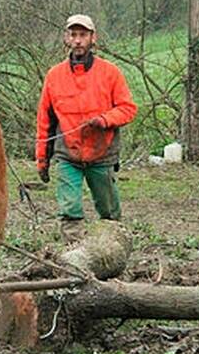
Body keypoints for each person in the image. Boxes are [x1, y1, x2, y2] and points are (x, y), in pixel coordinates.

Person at [36, 14, 137, 230]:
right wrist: (42, 160)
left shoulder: (110, 73)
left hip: (102, 153)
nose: (78, 40)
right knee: (69, 211)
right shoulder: (54, 76)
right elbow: (45, 121)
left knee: (109, 213)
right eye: (73, 35)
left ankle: (111, 245)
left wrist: (104, 120)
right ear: (66, 39)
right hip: (68, 154)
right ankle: (74, 253)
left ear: (93, 38)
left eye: (83, 35)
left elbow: (128, 109)